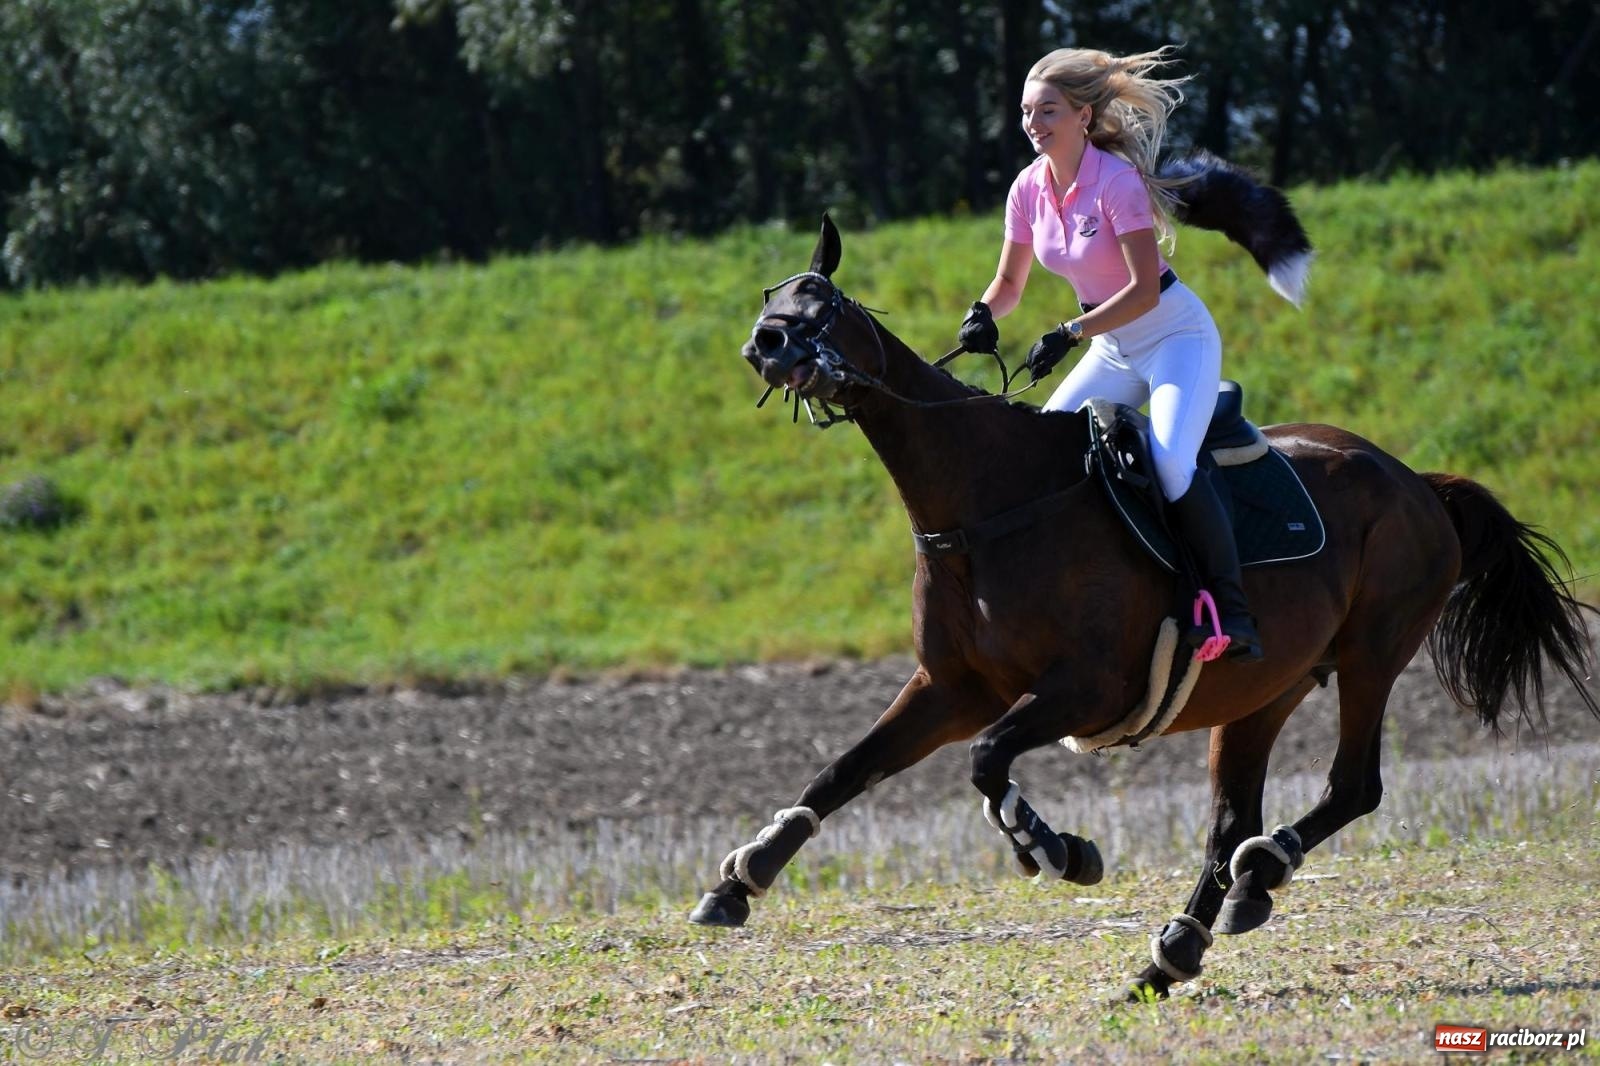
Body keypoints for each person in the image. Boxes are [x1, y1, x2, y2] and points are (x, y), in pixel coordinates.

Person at [957, 46, 1264, 662]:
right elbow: (1011, 283)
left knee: (1171, 467)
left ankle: (1231, 612)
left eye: (1047, 111)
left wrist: (1070, 331)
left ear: (1083, 116)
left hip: (1174, 336)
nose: (1032, 124)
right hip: (1113, 346)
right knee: (1045, 454)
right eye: (1025, 112)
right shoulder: (1027, 189)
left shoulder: (1116, 182)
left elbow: (1145, 291)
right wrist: (985, 312)